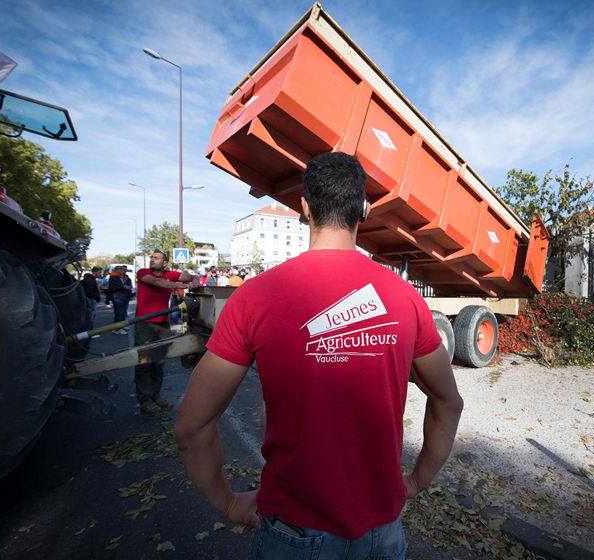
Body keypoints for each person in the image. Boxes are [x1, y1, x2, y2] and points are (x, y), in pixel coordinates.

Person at [174, 152, 463, 558]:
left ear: (304, 208)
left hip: (291, 533)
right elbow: (449, 402)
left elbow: (192, 426)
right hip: (382, 532)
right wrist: (414, 481)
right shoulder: (406, 299)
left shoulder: (254, 298)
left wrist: (230, 503)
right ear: (363, 210)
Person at [135, 250, 195, 414]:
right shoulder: (143, 273)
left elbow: (188, 277)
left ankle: (156, 395)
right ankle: (145, 400)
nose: (152, 260)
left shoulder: (170, 274)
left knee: (159, 362)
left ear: (165, 263)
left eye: (156, 258)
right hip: (145, 324)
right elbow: (157, 283)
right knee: (144, 362)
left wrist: (192, 278)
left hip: (162, 323)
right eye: (152, 258)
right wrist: (179, 285)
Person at [108, 265, 133, 333]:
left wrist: (131, 294)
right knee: (118, 313)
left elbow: (130, 286)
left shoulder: (126, 277)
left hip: (125, 296)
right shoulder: (113, 277)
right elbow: (112, 288)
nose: (123, 270)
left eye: (124, 269)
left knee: (123, 313)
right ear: (116, 270)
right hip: (117, 297)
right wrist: (123, 287)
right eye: (121, 269)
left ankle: (122, 326)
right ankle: (117, 328)